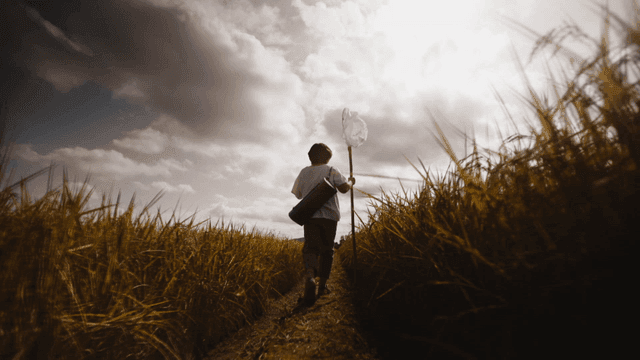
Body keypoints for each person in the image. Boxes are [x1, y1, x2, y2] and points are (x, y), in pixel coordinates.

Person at [291, 143, 355, 306]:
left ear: (310, 156)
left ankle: (311, 276)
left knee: (310, 248)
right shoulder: (331, 169)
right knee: (327, 250)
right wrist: (350, 182)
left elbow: (298, 195)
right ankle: (322, 287)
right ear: (328, 158)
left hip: (310, 216)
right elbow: (344, 189)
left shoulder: (304, 172)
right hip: (330, 217)